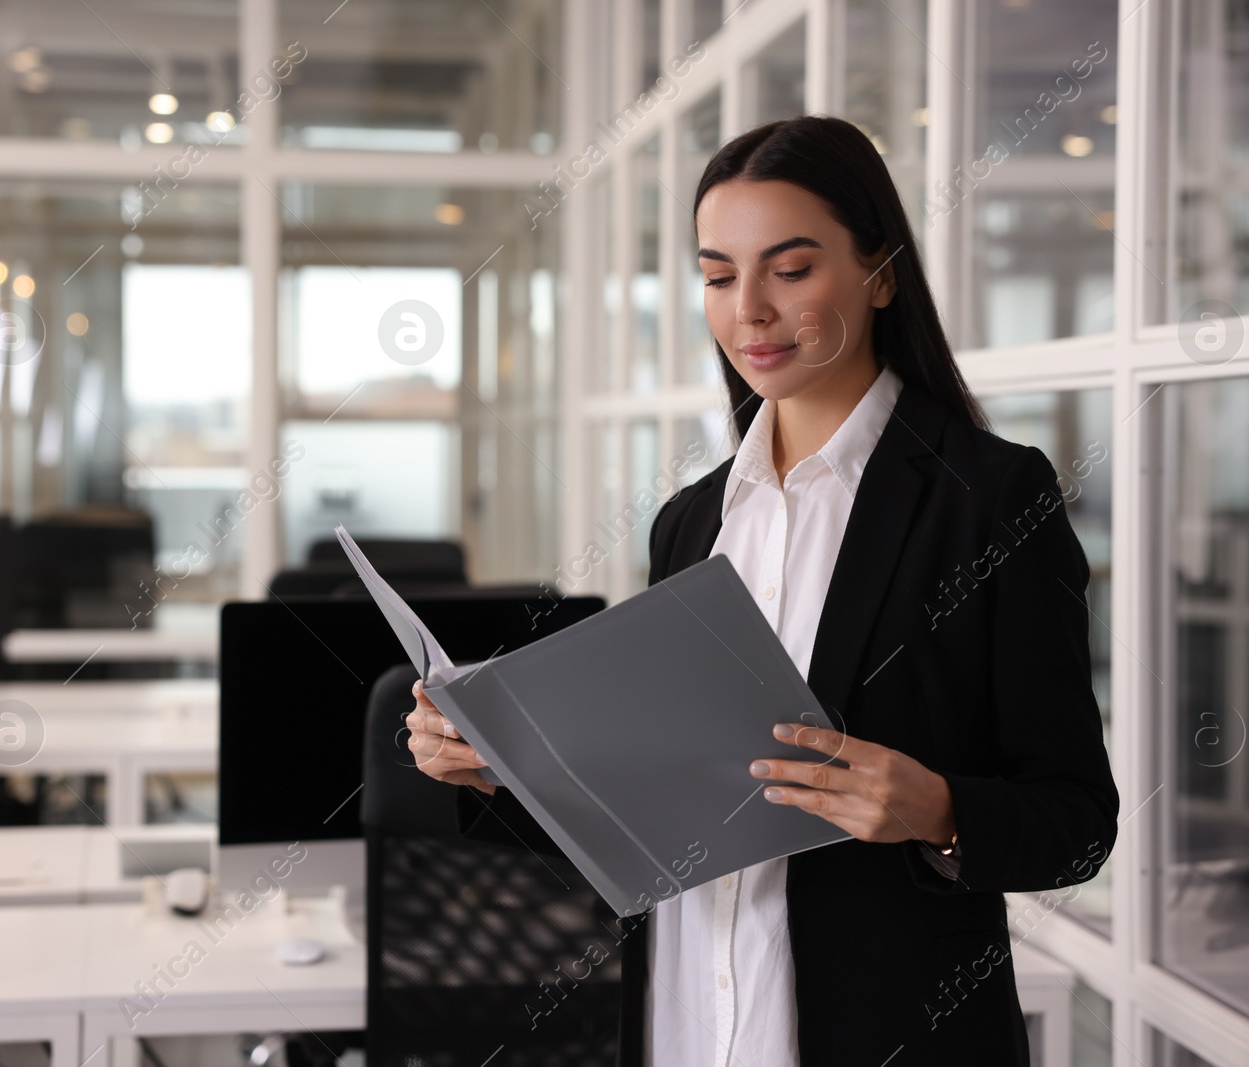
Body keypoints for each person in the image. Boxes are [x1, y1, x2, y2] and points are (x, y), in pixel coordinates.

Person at [404, 114, 1118, 1066]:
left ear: (881, 273)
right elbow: (655, 804)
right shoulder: (691, 522)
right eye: (717, 275)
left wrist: (939, 809)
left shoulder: (988, 498)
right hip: (686, 1023)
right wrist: (501, 761)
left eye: (790, 270)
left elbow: (1076, 824)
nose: (750, 310)